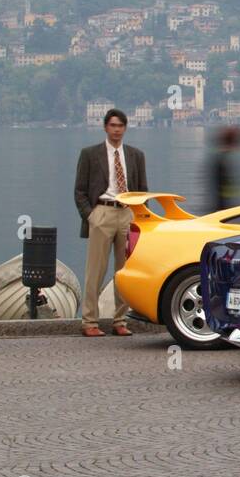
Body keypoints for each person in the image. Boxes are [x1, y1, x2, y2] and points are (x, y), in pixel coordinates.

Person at [73, 108, 147, 337]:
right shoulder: (90, 154)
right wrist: (91, 215)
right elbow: (79, 191)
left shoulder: (136, 155)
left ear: (125, 128)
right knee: (95, 270)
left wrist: (142, 218)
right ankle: (89, 322)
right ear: (105, 127)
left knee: (124, 271)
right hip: (102, 213)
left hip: (127, 213)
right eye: (113, 125)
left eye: (121, 126)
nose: (117, 130)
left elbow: (142, 190)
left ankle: (120, 320)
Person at [208, 126, 240, 212]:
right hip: (225, 210)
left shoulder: (222, 158)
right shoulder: (223, 160)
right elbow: (225, 191)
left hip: (225, 209)